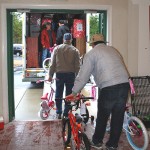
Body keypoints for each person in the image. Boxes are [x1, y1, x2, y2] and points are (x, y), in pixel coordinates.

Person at [66, 34, 130, 150]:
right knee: (118, 117)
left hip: (109, 87)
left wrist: (74, 92)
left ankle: (97, 142)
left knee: (102, 116)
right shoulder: (113, 50)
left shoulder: (91, 54)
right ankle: (112, 144)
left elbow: (83, 75)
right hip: (124, 85)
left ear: (92, 44)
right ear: (103, 42)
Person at [48, 33, 80, 119]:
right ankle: (66, 113)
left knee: (58, 92)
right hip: (70, 75)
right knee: (69, 94)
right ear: (71, 40)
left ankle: (58, 112)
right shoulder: (75, 50)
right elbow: (77, 66)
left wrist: (50, 75)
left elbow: (52, 64)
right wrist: (78, 77)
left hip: (59, 74)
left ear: (63, 40)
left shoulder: (57, 49)